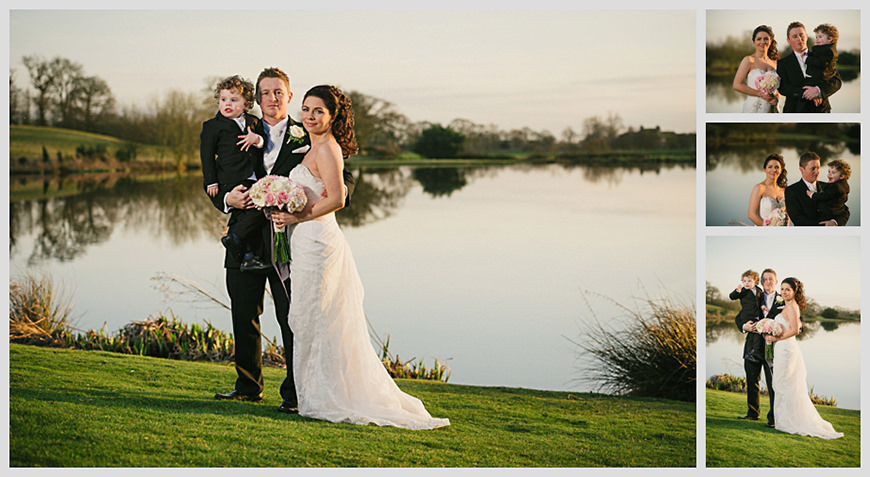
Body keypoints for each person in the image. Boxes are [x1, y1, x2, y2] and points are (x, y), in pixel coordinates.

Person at [270, 85, 449, 429]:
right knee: (306, 318)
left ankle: (327, 397)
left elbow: (337, 199)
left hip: (319, 240)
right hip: (304, 241)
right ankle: (312, 395)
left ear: (333, 117)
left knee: (319, 319)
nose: (309, 115)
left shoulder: (328, 150)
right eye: (306, 109)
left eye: (318, 111)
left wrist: (296, 216)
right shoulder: (312, 148)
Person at [213, 68, 355, 415]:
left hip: (288, 239)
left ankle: (294, 392)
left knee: (293, 316)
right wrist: (225, 200)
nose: (271, 99)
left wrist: (314, 205)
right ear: (256, 99)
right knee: (243, 312)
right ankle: (247, 386)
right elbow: (216, 177)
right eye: (264, 93)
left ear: (289, 97)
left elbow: (344, 180)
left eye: (278, 92)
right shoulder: (237, 130)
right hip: (243, 237)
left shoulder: (306, 133)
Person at [200, 75, 270, 272]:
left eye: (233, 100)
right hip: (230, 180)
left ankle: (246, 253)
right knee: (258, 207)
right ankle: (237, 239)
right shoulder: (212, 126)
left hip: (254, 177)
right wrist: (211, 182)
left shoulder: (254, 122)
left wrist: (256, 139)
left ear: (246, 104)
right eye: (223, 100)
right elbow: (206, 157)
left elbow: (263, 142)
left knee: (249, 212)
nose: (227, 104)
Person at [764, 278, 843, 439]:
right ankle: (782, 420)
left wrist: (775, 339)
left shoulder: (793, 307)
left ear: (794, 292)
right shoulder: (785, 305)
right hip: (781, 348)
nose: (784, 292)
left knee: (786, 384)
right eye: (783, 289)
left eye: (788, 290)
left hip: (786, 348)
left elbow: (794, 330)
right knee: (779, 383)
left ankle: (791, 421)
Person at [733, 268, 780, 427]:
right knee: (752, 380)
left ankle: (774, 418)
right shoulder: (752, 295)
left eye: (770, 279)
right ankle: (753, 413)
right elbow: (739, 317)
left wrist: (777, 333)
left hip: (772, 348)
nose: (768, 282)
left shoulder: (782, 300)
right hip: (752, 346)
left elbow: (797, 323)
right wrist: (744, 326)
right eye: (765, 279)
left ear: (776, 281)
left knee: (773, 383)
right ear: (761, 282)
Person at [777, 21, 842, 113]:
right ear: (789, 40)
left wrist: (818, 91)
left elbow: (836, 81)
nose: (799, 39)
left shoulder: (822, 57)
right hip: (794, 113)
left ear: (806, 36)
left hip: (821, 111)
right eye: (795, 36)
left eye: (801, 35)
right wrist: (805, 93)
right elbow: (783, 88)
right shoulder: (782, 63)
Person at [733, 25, 779, 113]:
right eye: (759, 39)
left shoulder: (775, 63)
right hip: (753, 107)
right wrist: (759, 94)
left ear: (770, 41)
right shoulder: (749, 60)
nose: (762, 42)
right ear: (754, 42)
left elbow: (780, 89)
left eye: (766, 39)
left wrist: (776, 97)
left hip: (771, 108)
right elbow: (737, 85)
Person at [784, 151, 838, 226]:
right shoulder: (791, 191)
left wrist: (835, 222)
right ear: (802, 170)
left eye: (818, 168)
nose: (817, 172)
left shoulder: (828, 187)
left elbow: (844, 211)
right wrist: (824, 227)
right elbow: (798, 219)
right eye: (813, 169)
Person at [807, 159, 850, 226]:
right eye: (829, 171)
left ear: (841, 176)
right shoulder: (843, 185)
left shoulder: (837, 187)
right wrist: (818, 183)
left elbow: (824, 196)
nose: (829, 174)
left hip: (829, 215)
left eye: (833, 173)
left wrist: (812, 195)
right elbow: (828, 186)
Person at [747, 154, 788, 226]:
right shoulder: (759, 188)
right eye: (770, 167)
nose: (773, 170)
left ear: (781, 170)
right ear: (765, 170)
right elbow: (751, 215)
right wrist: (768, 228)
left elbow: (787, 214)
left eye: (777, 167)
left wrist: (785, 228)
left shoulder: (784, 191)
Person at [804, 24, 839, 94]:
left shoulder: (829, 51)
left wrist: (807, 59)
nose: (817, 39)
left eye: (820, 37)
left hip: (822, 78)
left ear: (829, 39)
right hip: (816, 76)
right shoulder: (822, 48)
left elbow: (821, 62)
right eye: (816, 37)